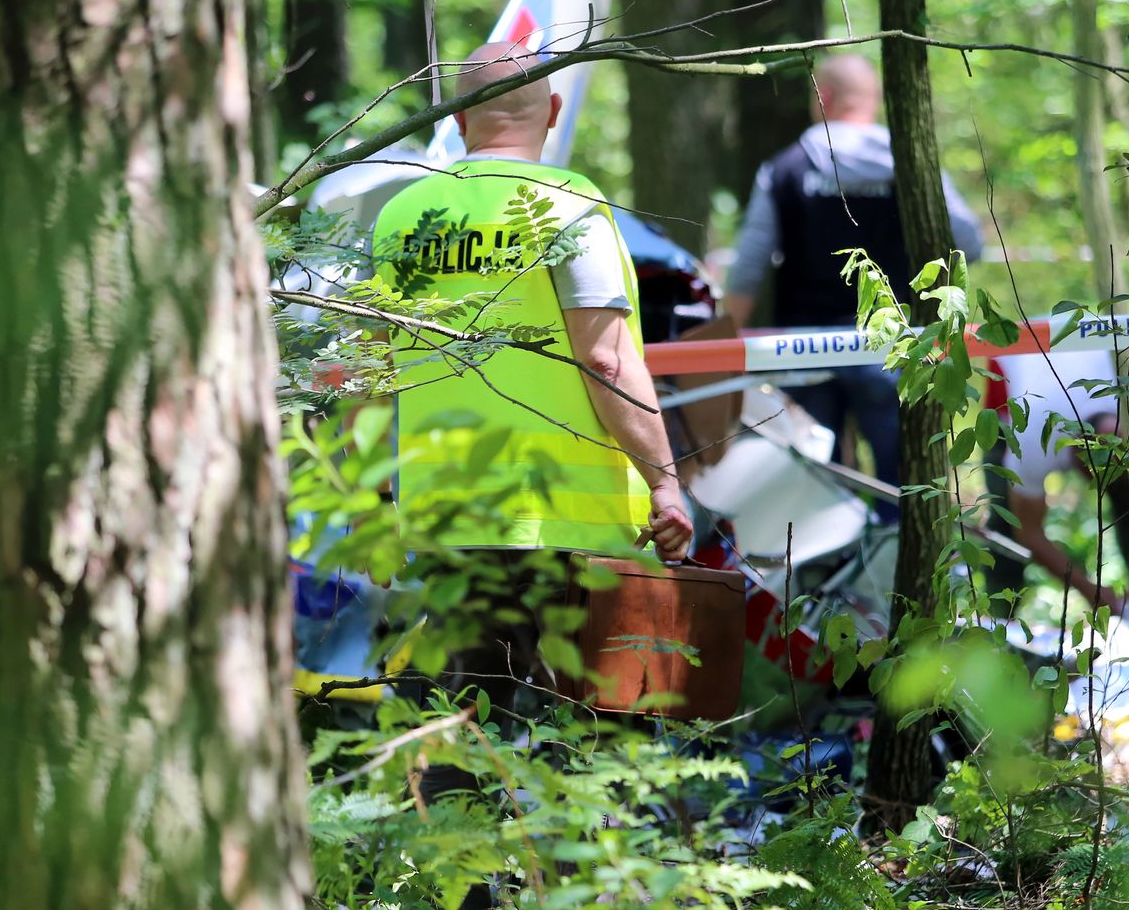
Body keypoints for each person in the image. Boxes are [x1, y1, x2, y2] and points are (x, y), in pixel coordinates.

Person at [372, 42, 693, 691]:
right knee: (593, 726)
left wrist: (371, 505)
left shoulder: (399, 218)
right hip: (567, 523)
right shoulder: (566, 204)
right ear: (553, 110)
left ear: (459, 119)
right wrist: (663, 481)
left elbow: (370, 375)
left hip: (447, 520)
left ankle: (448, 795)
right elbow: (605, 357)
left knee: (467, 717)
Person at [722, 54, 984, 519]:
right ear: (877, 100)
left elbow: (748, 266)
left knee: (811, 482)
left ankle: (825, 587)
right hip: (893, 345)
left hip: (800, 350)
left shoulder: (783, 169)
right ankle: (900, 583)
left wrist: (723, 345)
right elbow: (970, 242)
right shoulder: (911, 166)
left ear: (823, 97)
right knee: (904, 484)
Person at [987, 349, 1129, 616]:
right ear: (1074, 455)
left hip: (1084, 350)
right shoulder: (1032, 434)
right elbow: (1027, 531)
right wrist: (1088, 589)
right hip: (1014, 363)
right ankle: (998, 617)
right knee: (1004, 520)